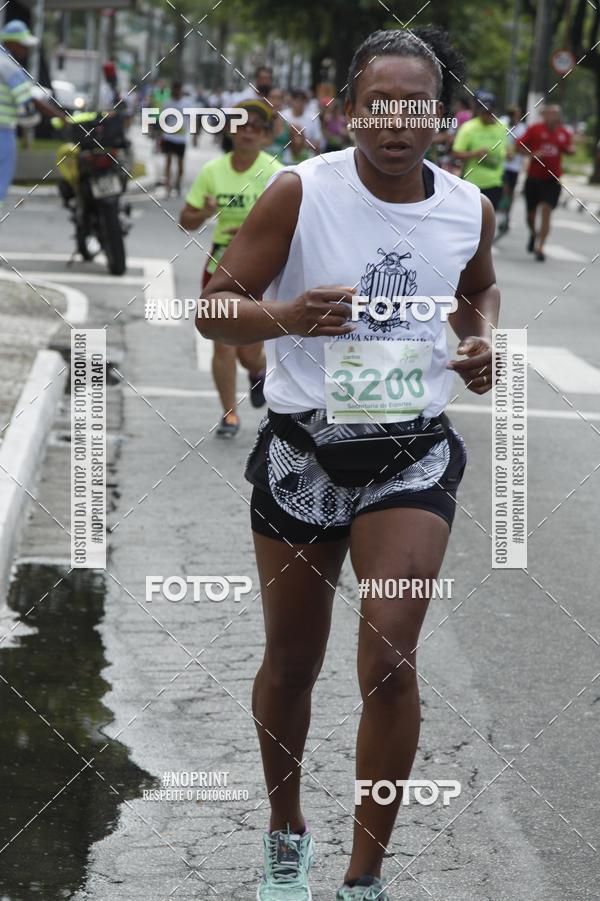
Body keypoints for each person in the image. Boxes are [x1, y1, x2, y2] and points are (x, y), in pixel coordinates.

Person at [198, 25, 499, 901]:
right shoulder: (299, 193)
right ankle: (286, 830)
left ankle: (364, 877)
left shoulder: (466, 206)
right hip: (305, 452)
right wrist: (286, 315)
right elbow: (215, 309)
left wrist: (477, 340)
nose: (397, 122)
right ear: (348, 111)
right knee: (293, 661)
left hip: (410, 452)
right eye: (379, 104)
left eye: (417, 106)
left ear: (442, 117)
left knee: (392, 659)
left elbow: (476, 287)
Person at [180, 99, 282, 438]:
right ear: (230, 131)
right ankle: (229, 415)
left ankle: (258, 370)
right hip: (220, 268)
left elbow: (292, 222)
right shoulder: (213, 172)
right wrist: (205, 212)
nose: (248, 132)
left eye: (257, 127)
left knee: (248, 353)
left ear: (266, 137)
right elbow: (186, 221)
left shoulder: (275, 173)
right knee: (221, 341)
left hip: (261, 272)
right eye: (242, 125)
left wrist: (255, 233)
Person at [0, 20, 65, 210]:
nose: (25, 50)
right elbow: (29, 102)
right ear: (11, 43)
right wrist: (59, 117)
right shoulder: (10, 67)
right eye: (23, 45)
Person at [517, 104, 574, 261]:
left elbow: (569, 149)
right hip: (534, 178)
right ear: (545, 115)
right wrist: (533, 154)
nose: (554, 117)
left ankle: (540, 247)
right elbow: (519, 146)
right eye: (551, 114)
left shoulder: (563, 132)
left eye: (557, 114)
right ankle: (533, 234)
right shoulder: (535, 129)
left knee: (547, 210)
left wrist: (571, 150)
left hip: (553, 179)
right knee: (530, 215)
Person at [452, 90, 507, 210]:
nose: (486, 115)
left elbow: (507, 151)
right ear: (478, 111)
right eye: (483, 112)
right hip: (472, 183)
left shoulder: (502, 128)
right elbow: (456, 153)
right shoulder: (468, 127)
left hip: (495, 183)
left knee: (489, 220)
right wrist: (474, 154)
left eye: (489, 112)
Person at [497, 105, 527, 235]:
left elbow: (524, 145)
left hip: (515, 166)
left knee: (510, 193)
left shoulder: (522, 128)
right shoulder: (501, 123)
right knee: (505, 189)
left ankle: (507, 215)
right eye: (515, 114)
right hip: (501, 165)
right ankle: (501, 213)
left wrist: (517, 152)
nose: (517, 117)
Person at [160, 80, 189, 195]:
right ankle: (168, 184)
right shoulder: (167, 103)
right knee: (168, 160)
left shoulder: (187, 103)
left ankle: (178, 183)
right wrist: (161, 135)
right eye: (175, 90)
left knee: (180, 164)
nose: (177, 93)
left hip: (181, 138)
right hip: (168, 136)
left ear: (181, 91)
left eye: (178, 91)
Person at [282, 88, 323, 154]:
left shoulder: (313, 117)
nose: (299, 103)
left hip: (307, 158)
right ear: (291, 100)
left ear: (305, 102)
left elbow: (318, 143)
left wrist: (301, 144)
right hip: (286, 157)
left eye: (302, 100)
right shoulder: (283, 115)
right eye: (296, 99)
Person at [264, 87, 290, 160]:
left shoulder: (286, 123)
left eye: (279, 98)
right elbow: (265, 143)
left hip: (280, 164)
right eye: (272, 97)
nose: (275, 101)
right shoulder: (259, 121)